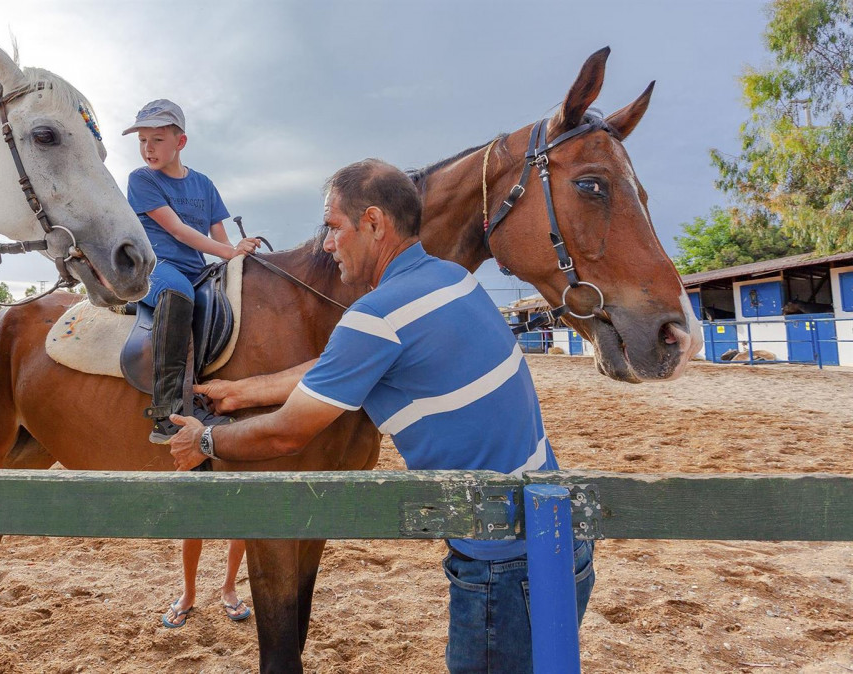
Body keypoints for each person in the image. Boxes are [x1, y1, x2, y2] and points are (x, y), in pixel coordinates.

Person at [170, 159, 594, 672]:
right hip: (560, 541)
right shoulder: (451, 281)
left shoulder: (376, 316)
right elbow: (340, 365)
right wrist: (244, 390)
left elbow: (285, 434)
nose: (326, 243)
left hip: (500, 564)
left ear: (372, 223)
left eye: (333, 227)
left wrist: (206, 441)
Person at [122, 99, 256, 628]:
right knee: (179, 295)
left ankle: (215, 386)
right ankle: (167, 407)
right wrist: (228, 256)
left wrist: (236, 260)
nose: (147, 148)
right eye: (142, 139)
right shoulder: (140, 180)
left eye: (157, 139)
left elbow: (221, 234)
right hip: (161, 267)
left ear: (180, 140)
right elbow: (179, 234)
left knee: (212, 300)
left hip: (202, 270)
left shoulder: (203, 182)